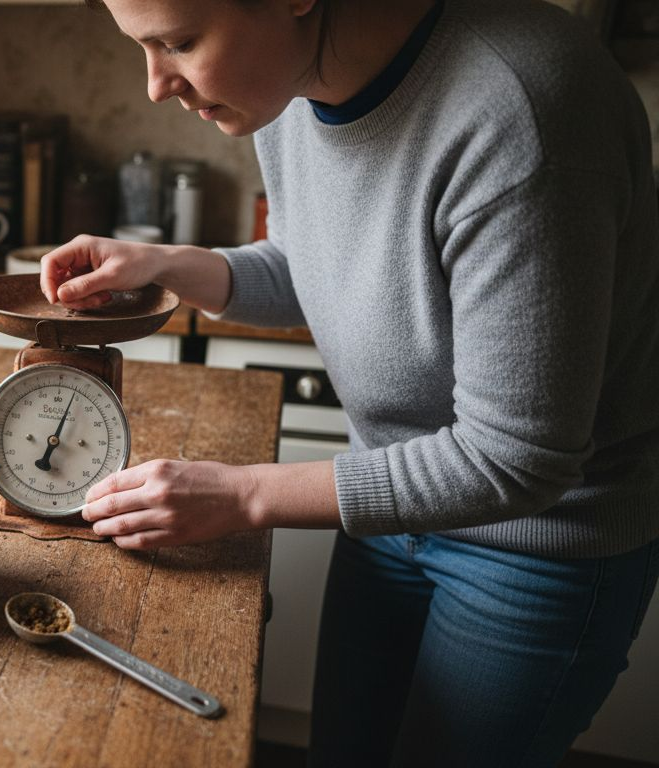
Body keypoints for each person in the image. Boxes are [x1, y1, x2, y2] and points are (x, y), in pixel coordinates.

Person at [41, 0, 659, 765]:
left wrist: (242, 496)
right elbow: (323, 268)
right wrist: (171, 265)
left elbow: (516, 459)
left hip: (540, 544)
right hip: (388, 506)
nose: (156, 84)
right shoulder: (285, 83)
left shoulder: (523, 112)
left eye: (179, 42)